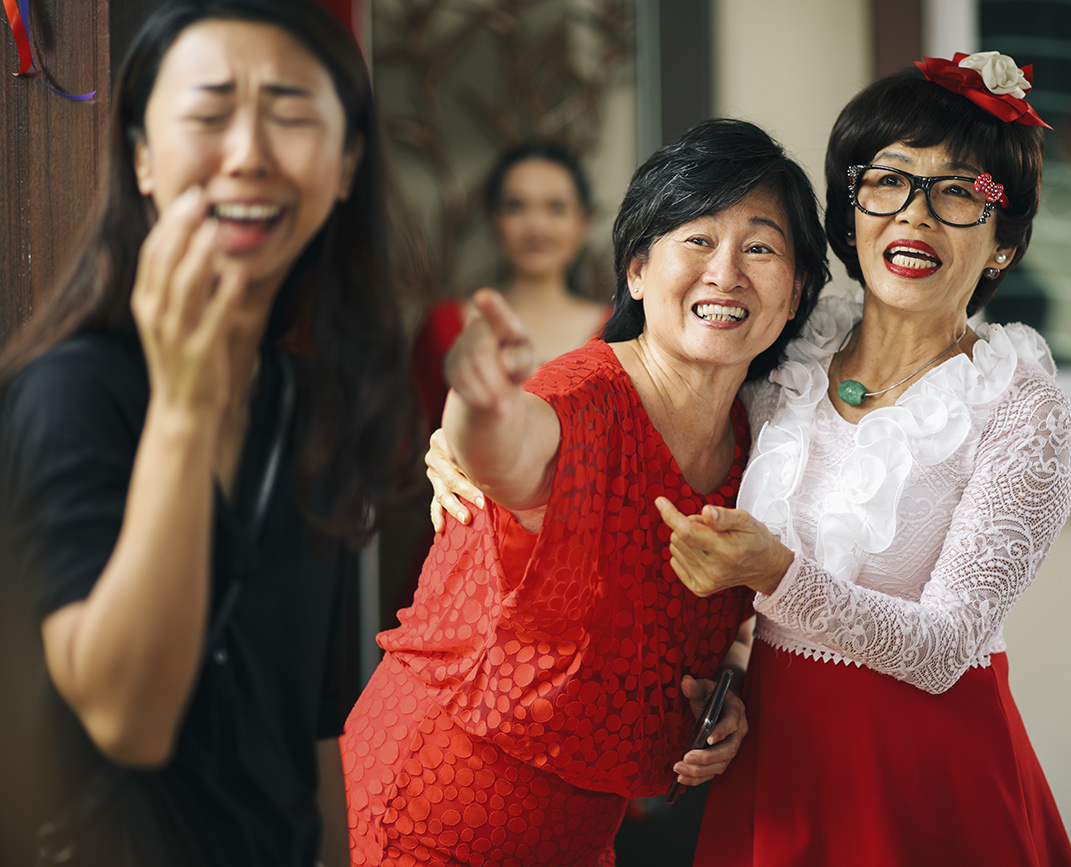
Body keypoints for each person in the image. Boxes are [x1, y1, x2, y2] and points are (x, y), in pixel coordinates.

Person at [341, 118, 830, 867]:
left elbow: (715, 624)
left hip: (577, 831)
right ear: (637, 270)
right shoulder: (587, 392)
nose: (726, 271)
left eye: (760, 247)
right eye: (696, 239)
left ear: (795, 292)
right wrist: (476, 402)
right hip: (431, 803)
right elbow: (511, 451)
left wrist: (726, 697)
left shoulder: (758, 446)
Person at [0, 1, 420, 864]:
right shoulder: (69, 392)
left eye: (293, 115)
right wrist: (185, 410)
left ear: (345, 166)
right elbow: (127, 718)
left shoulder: (312, 402)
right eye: (209, 112)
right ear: (142, 157)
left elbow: (312, 729)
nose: (250, 153)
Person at [656, 53, 1071, 866]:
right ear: (850, 212)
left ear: (1003, 244)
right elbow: (654, 410)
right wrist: (735, 674)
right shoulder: (786, 350)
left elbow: (945, 645)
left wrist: (776, 572)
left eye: (958, 192)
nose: (914, 217)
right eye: (888, 181)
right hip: (777, 760)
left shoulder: (1020, 405)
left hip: (926, 772)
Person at [410, 141, 610, 429]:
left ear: (584, 220)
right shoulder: (444, 325)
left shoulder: (617, 330)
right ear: (493, 218)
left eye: (556, 208)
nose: (536, 226)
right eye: (516, 207)